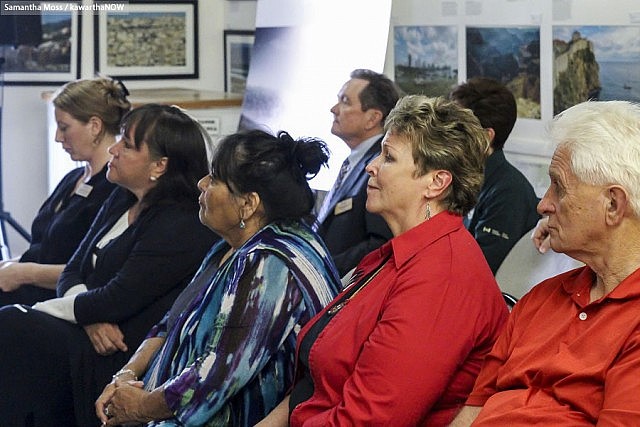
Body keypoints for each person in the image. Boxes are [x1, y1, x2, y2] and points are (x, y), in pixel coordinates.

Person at [259, 95, 509, 426]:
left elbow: (370, 420)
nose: (370, 167)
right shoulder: (398, 256)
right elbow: (315, 386)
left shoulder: (440, 277)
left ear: (436, 183)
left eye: (388, 157)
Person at [94, 129, 341, 427]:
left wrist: (138, 406)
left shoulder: (270, 263)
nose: (201, 184)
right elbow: (171, 323)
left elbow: (216, 375)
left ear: (248, 204)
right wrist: (126, 376)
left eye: (214, 178)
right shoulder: (229, 248)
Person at [0, 104, 219, 427]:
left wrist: (63, 308)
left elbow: (116, 298)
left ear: (160, 165)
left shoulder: (180, 224)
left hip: (118, 353)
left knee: (12, 325)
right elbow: (73, 270)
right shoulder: (122, 196)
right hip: (90, 330)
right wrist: (89, 316)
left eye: (127, 145)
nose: (113, 150)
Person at [451, 100, 640, 426]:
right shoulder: (537, 301)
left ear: (613, 204)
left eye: (558, 188)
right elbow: (472, 413)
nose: (543, 204)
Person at [0, 77, 130, 306]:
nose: (58, 137)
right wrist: (10, 265)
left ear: (95, 126)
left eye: (64, 127)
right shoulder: (73, 178)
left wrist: (22, 273)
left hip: (57, 301)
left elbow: (94, 270)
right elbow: (45, 249)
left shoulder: (115, 189)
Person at [450, 77, 540, 274]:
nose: (446, 135)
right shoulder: (460, 177)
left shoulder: (508, 192)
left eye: (457, 128)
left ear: (485, 137)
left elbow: (480, 269)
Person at [314, 69, 400, 276]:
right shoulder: (353, 160)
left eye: (345, 102)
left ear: (372, 118)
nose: (334, 109)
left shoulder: (382, 166)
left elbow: (380, 244)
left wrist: (322, 269)